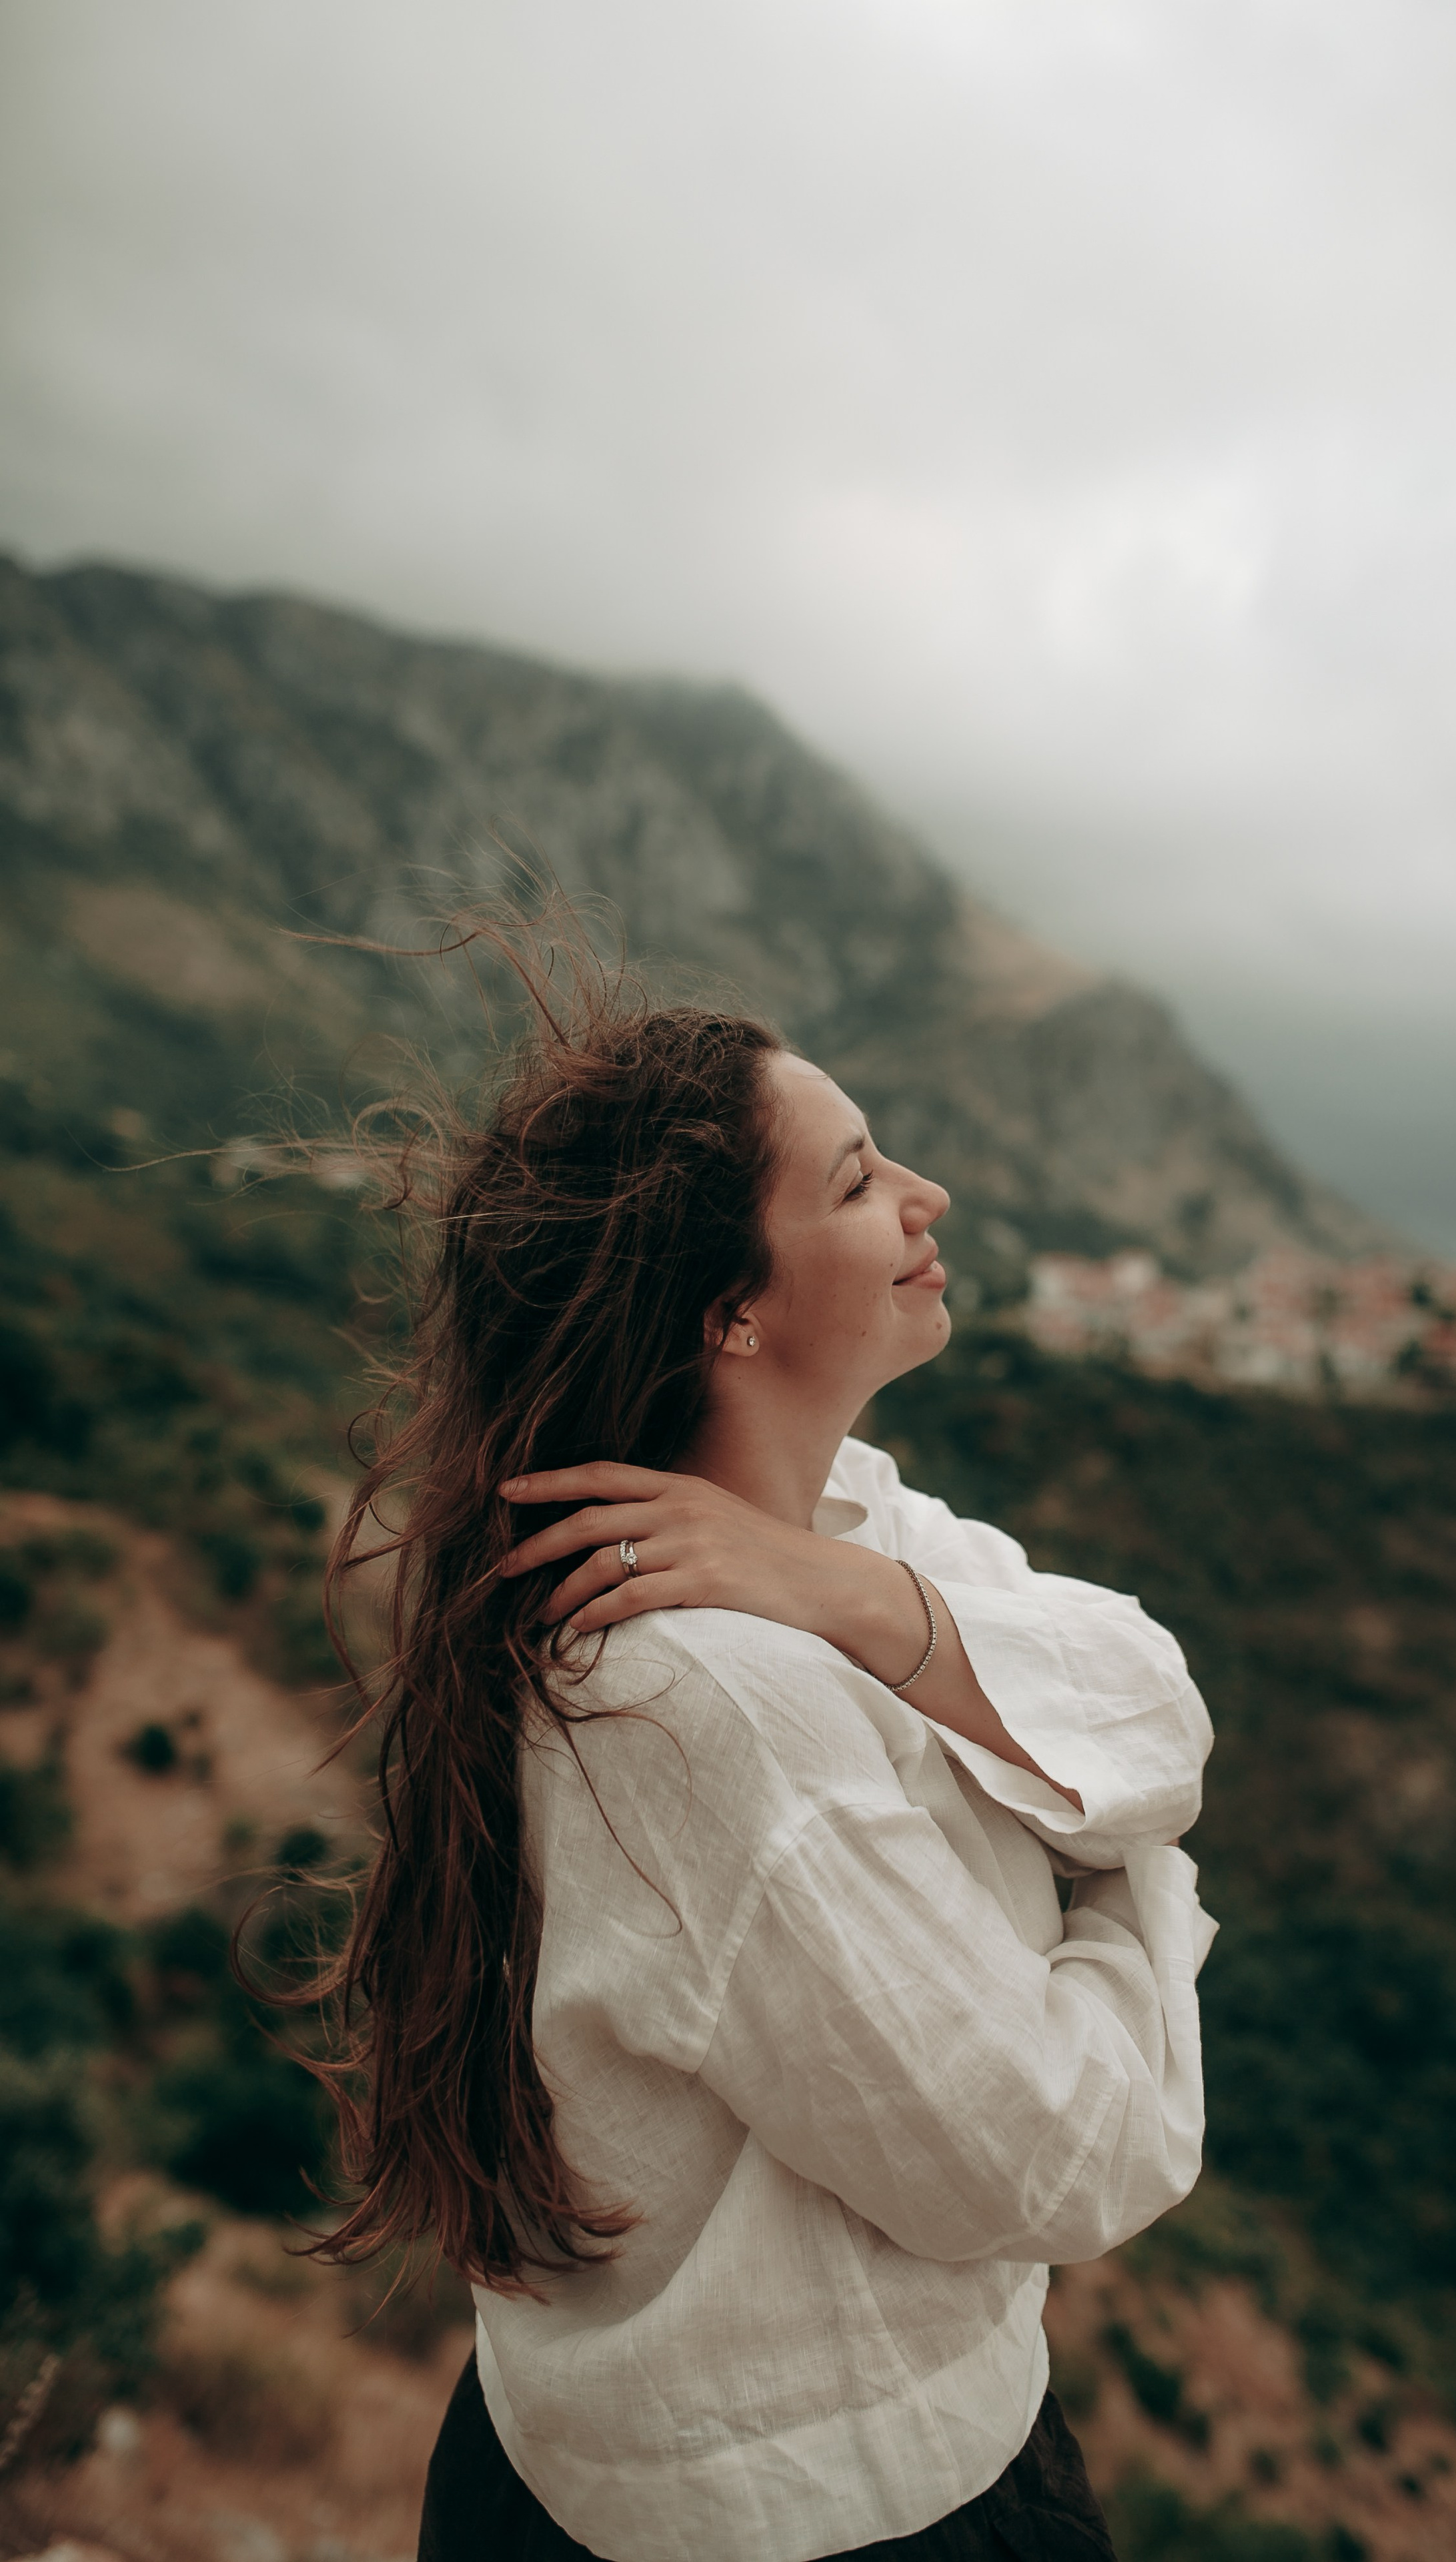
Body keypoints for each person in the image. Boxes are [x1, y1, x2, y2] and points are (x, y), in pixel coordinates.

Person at [312, 949, 1215, 2562]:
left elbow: (1157, 1713)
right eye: (857, 1180)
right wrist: (1117, 1886)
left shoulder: (847, 1515)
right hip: (827, 2518)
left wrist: (842, 1593)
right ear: (728, 1311)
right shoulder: (697, 1692)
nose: (927, 1196)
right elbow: (1060, 2158)